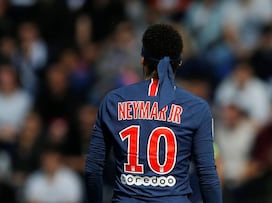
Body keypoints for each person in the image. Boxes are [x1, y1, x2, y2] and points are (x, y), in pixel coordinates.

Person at [85, 24, 222, 203]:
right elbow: (207, 176)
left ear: (143, 60)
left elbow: (93, 169)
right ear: (179, 62)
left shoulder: (113, 101)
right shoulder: (197, 108)